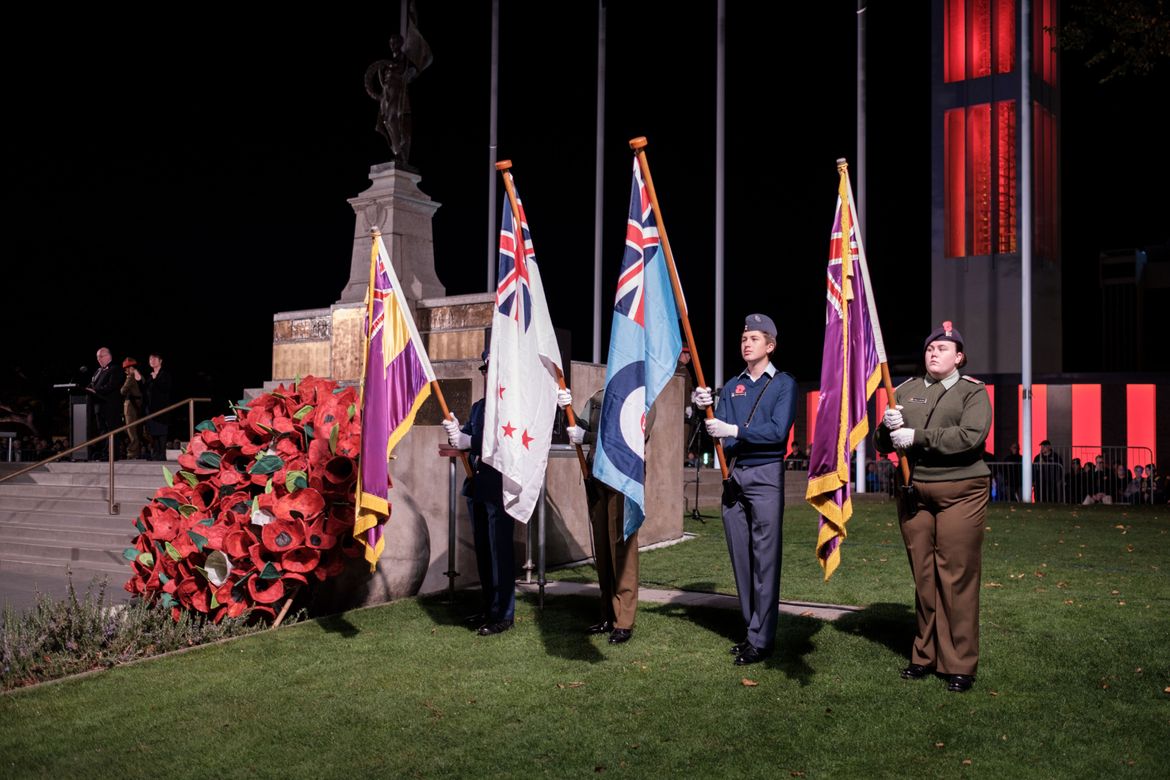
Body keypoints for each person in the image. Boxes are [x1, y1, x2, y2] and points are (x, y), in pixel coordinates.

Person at [875, 321, 991, 694]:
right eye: (929, 348)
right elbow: (882, 443)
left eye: (943, 348)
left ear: (959, 357)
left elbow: (970, 437)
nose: (934, 353)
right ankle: (924, 654)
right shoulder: (905, 391)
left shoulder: (973, 392)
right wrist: (887, 428)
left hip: (961, 490)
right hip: (913, 491)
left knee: (955, 575)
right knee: (924, 577)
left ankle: (958, 662)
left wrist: (918, 436)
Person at [691, 313, 796, 666]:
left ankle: (762, 640)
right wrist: (700, 409)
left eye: (754, 338)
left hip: (766, 476)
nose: (746, 343)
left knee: (765, 560)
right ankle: (752, 630)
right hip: (735, 476)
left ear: (770, 345)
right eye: (743, 338)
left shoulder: (783, 384)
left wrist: (732, 429)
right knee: (741, 559)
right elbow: (712, 434)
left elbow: (778, 433)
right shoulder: (732, 386)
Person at [558, 386, 656, 645]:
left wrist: (587, 435)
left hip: (624, 476)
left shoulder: (643, 394)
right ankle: (607, 613)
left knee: (621, 545)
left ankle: (623, 620)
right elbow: (577, 424)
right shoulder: (600, 394)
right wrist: (564, 408)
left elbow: (633, 434)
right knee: (602, 547)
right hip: (597, 472)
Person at [441, 350, 515, 636]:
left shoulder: (509, 406)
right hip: (477, 485)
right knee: (484, 552)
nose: (486, 374)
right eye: (484, 369)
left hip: (498, 487)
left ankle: (503, 614)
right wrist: (456, 430)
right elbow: (467, 438)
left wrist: (468, 439)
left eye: (491, 368)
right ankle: (489, 608)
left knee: (500, 553)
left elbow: (503, 443)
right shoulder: (480, 407)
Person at [136, 352, 172, 461]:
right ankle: (156, 453)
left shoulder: (164, 374)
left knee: (161, 432)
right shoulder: (150, 376)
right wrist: (139, 381)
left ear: (160, 361)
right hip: (150, 409)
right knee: (153, 433)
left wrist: (156, 379)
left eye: (155, 359)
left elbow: (165, 388)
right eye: (150, 359)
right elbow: (145, 391)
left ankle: (162, 454)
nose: (152, 360)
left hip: (161, 408)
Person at [85, 347, 120, 458]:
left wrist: (95, 390)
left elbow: (111, 386)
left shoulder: (115, 369)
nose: (98, 359)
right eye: (97, 357)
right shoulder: (98, 371)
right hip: (98, 406)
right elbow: (92, 384)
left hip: (110, 405)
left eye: (101, 356)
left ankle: (113, 454)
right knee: (102, 430)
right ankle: (105, 452)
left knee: (111, 430)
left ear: (109, 356)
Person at [120, 357, 144, 459]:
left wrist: (127, 380)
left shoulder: (130, 377)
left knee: (130, 429)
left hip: (130, 406)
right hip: (138, 405)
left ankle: (132, 452)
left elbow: (122, 391)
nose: (126, 371)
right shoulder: (141, 377)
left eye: (127, 368)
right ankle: (137, 450)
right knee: (136, 429)